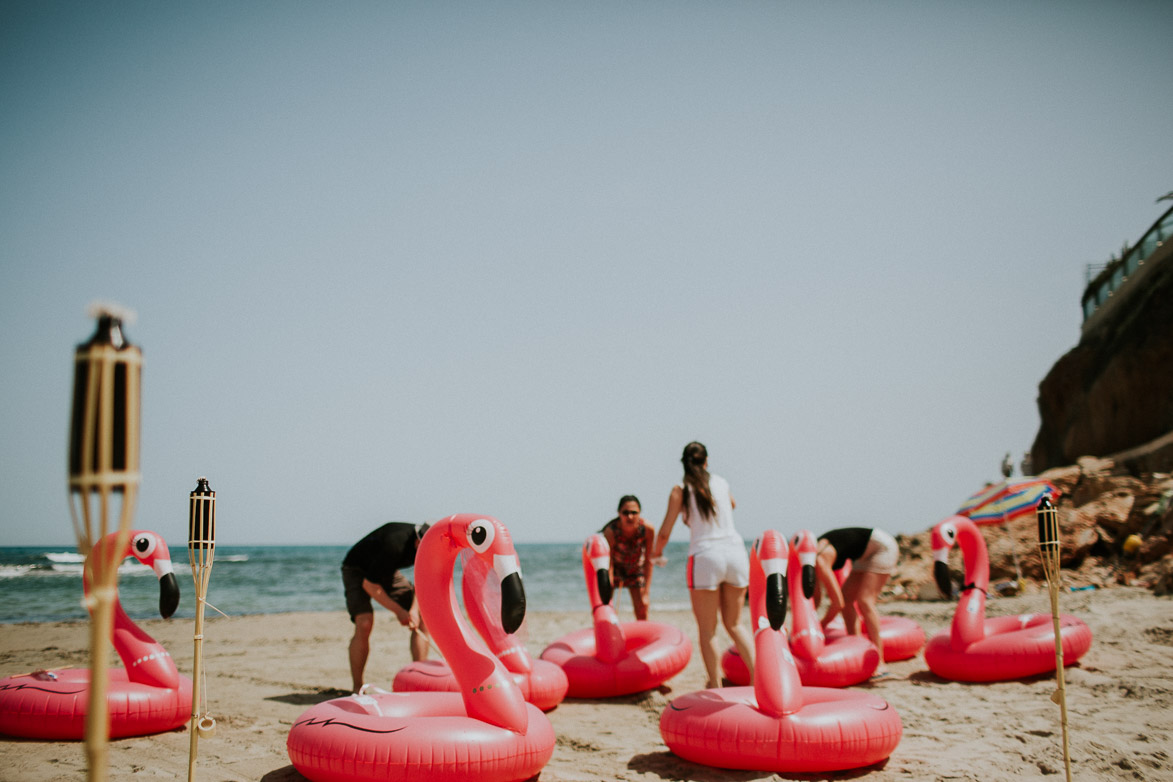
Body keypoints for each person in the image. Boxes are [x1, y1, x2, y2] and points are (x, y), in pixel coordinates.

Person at [652, 442, 754, 688]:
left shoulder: (680, 490)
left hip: (706, 557)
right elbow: (732, 504)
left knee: (708, 631)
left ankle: (714, 684)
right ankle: (759, 681)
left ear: (684, 463)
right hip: (736, 553)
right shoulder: (721, 482)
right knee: (736, 624)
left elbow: (665, 531)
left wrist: (656, 553)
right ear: (706, 461)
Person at [341, 521, 430, 693]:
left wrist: (412, 611)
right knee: (365, 623)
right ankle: (357, 687)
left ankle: (419, 679)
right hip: (356, 569)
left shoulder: (430, 546)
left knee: (422, 617)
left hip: (386, 571)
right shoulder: (395, 545)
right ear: (417, 540)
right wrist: (400, 612)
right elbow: (369, 585)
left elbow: (422, 580)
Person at [812, 527, 899, 675]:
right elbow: (817, 598)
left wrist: (822, 625)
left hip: (881, 548)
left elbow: (836, 603)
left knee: (865, 601)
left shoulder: (819, 559)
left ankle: (880, 662)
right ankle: (857, 647)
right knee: (847, 599)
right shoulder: (810, 562)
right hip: (864, 554)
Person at [600, 495, 655, 620]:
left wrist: (646, 593)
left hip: (635, 569)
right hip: (615, 569)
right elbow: (609, 564)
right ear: (619, 513)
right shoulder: (611, 532)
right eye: (625, 513)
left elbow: (649, 560)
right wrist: (607, 588)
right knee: (605, 605)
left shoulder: (647, 529)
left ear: (639, 513)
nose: (630, 516)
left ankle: (643, 634)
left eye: (634, 512)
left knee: (642, 608)